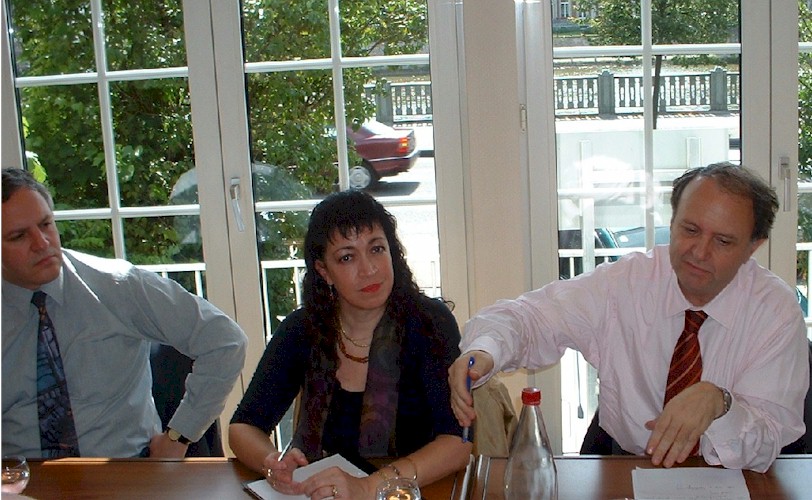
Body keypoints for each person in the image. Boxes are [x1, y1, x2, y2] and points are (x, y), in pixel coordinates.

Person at [449, 162, 809, 473]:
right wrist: (486, 350)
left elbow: (770, 438)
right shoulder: (626, 284)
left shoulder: (774, 310)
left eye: (723, 242)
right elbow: (529, 318)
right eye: (690, 230)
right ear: (673, 220)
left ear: (753, 246)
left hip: (738, 473)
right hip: (628, 464)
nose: (699, 252)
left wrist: (720, 402)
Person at [230, 189, 471, 499]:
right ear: (323, 271)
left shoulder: (429, 323)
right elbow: (243, 426)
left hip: (414, 492)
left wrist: (371, 486)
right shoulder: (303, 329)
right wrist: (271, 463)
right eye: (347, 257)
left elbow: (458, 443)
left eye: (376, 249)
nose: (368, 269)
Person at [2, 167, 248, 459]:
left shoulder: (116, 285)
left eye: (46, 224)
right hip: (21, 479)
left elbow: (226, 340)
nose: (42, 243)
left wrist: (179, 436)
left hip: (125, 470)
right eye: (19, 236)